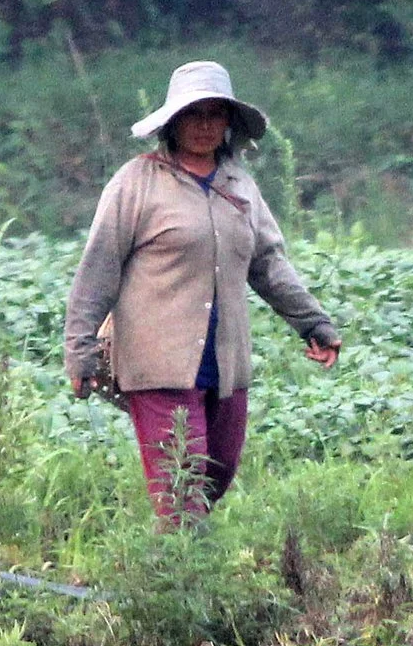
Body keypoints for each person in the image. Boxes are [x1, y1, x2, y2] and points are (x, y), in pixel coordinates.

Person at [63, 61, 340, 522]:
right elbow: (98, 270)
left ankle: (178, 561)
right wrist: (80, 351)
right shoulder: (137, 183)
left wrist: (313, 322)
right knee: (180, 484)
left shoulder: (240, 186)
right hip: (159, 363)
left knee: (219, 471)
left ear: (229, 123)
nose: (205, 125)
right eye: (194, 114)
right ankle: (180, 573)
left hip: (225, 361)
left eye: (215, 114)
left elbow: (268, 264)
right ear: (174, 121)